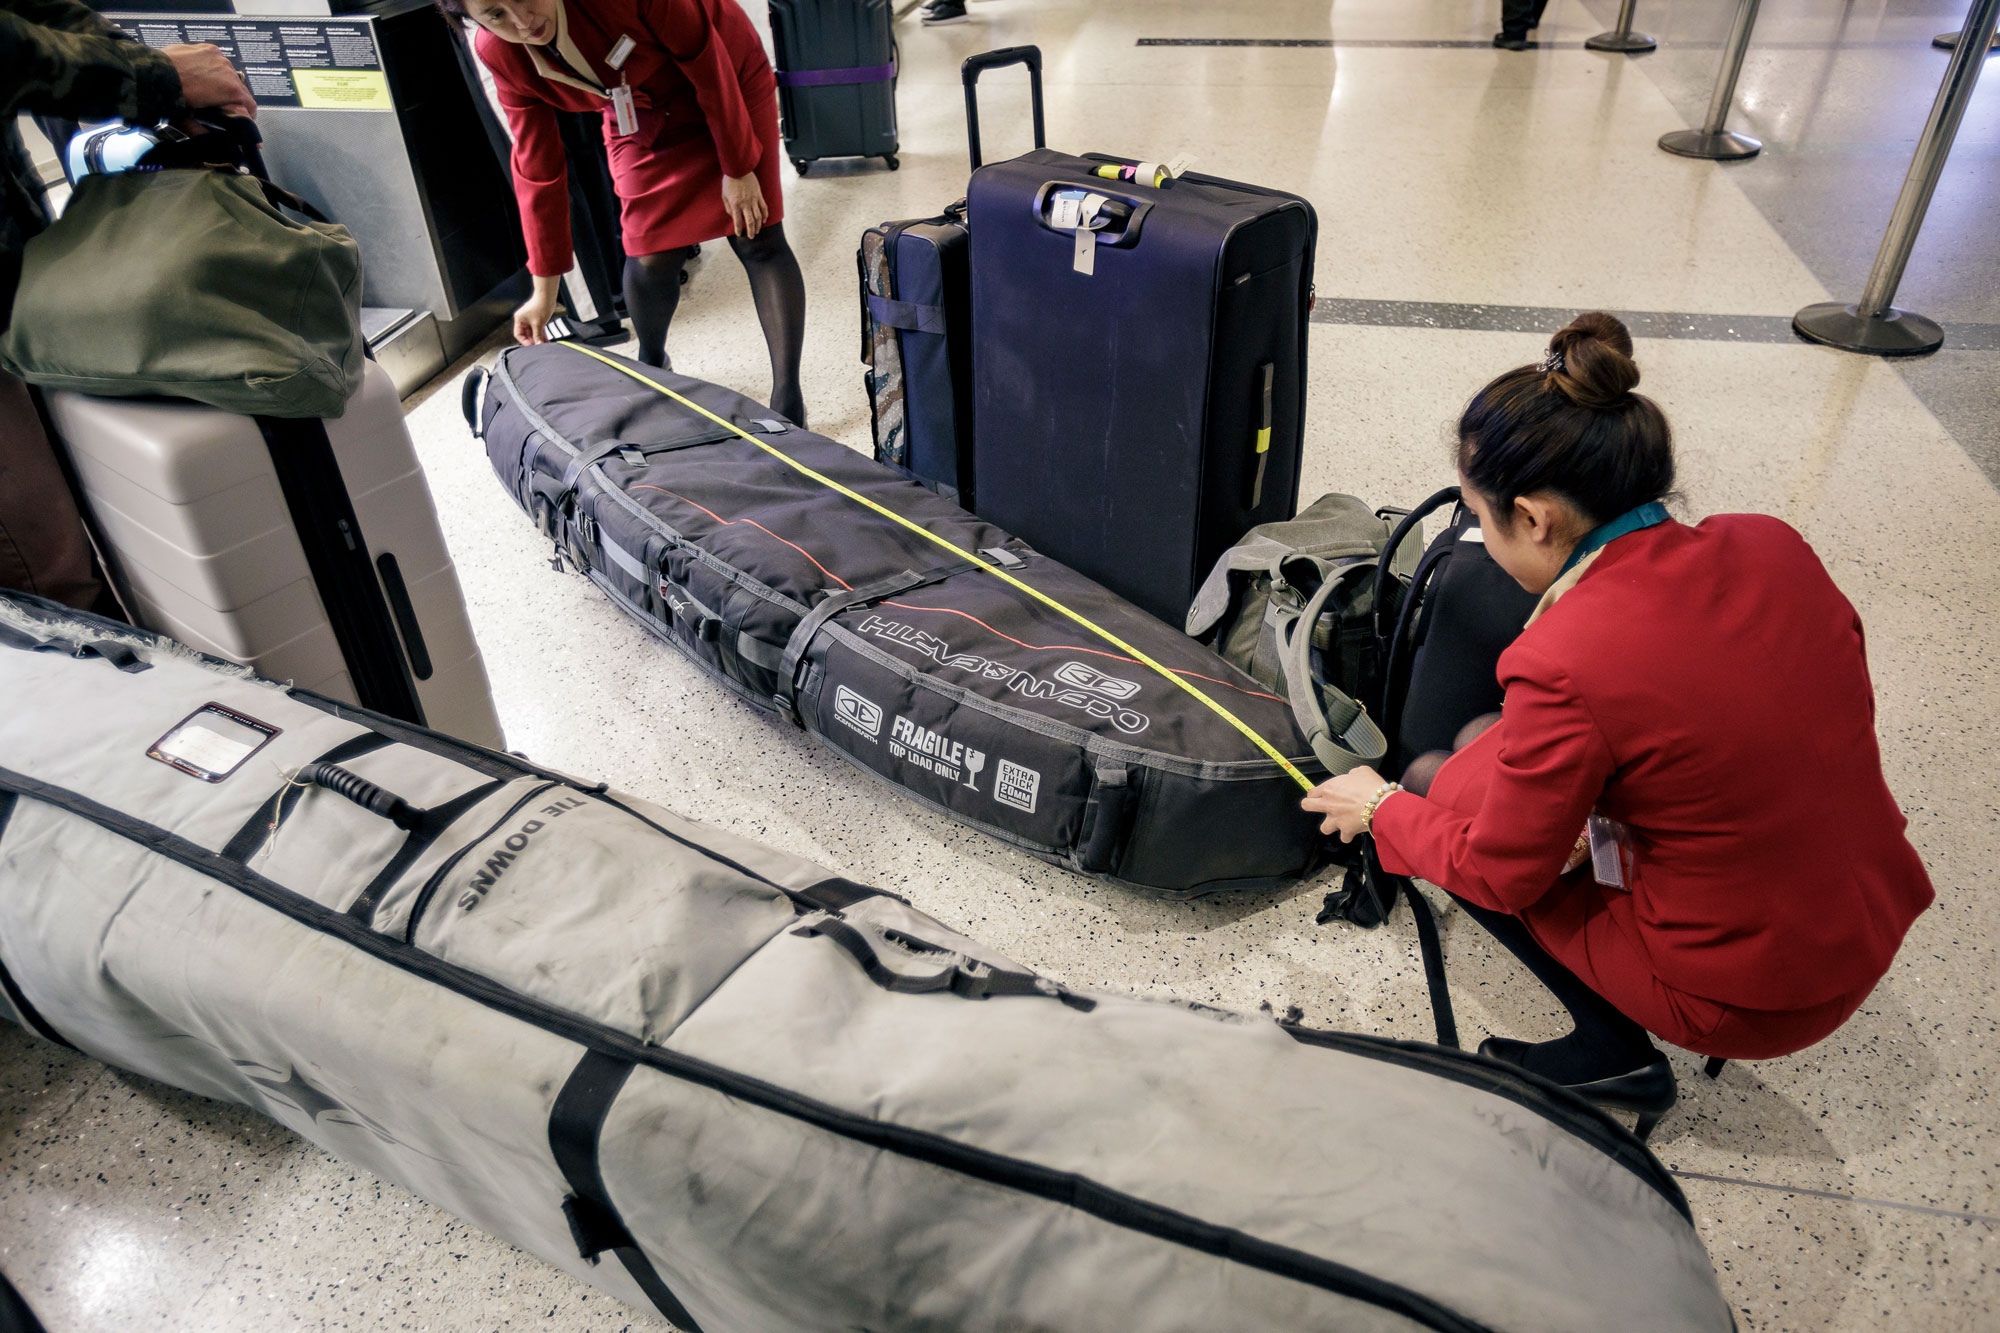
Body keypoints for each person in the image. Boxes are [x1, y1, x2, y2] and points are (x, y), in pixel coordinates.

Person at [1302, 312, 1933, 1137]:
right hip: (1862, 917)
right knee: (1473, 752)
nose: (1479, 539)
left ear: (1533, 518)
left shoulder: (1568, 657)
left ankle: (1611, 1049)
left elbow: (1503, 873)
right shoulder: (1769, 542)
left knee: (1436, 788)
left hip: (1746, 994)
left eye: (1477, 517)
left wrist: (1381, 808)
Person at [0, 0, 255, 610]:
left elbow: (34, 10)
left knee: (102, 512)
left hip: (20, 272)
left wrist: (155, 96)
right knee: (49, 578)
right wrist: (150, 77)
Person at [450, 0, 809, 426]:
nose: (522, 22)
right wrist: (544, 293)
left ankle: (789, 397)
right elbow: (537, 169)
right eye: (496, 15)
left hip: (723, 72)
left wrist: (738, 167)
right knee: (649, 251)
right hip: (635, 104)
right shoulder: (500, 52)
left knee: (758, 236)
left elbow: (708, 62)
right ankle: (652, 367)